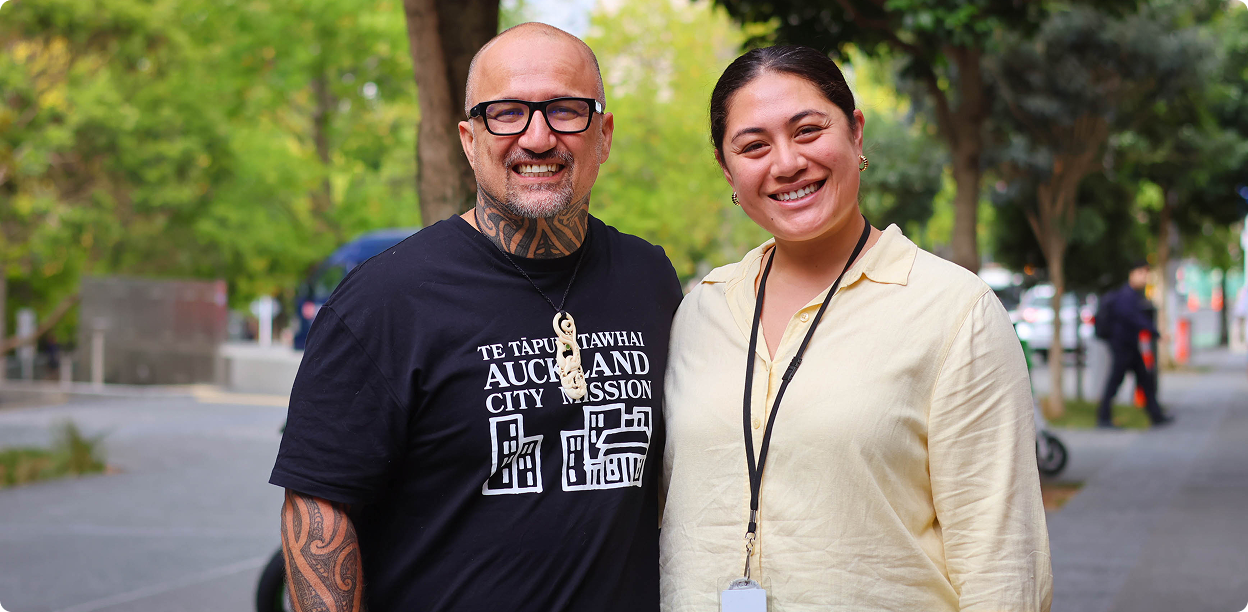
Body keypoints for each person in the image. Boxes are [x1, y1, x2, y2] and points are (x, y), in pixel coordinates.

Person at [270, 23, 683, 611]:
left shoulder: (649, 278)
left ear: (605, 133)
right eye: (506, 113)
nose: (538, 138)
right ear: (469, 139)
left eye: (566, 110)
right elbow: (318, 506)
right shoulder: (385, 300)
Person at [659, 46, 1052, 611]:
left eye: (808, 130)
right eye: (753, 146)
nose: (787, 162)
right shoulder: (700, 312)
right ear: (727, 169)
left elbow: (1002, 565)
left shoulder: (953, 310)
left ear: (856, 135)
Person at [1096, 260, 1173, 428]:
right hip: (1122, 346)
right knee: (1115, 382)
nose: (1145, 278)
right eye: (1142, 273)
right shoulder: (1126, 296)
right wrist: (1157, 333)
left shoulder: (1134, 295)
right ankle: (1103, 417)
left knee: (1145, 380)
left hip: (1130, 346)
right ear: (1133, 274)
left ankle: (1156, 415)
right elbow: (1135, 319)